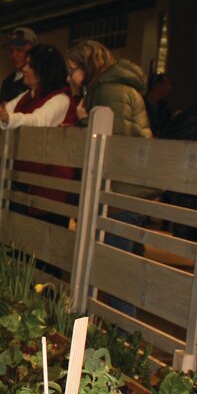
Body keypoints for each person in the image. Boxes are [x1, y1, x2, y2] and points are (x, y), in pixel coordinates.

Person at [67, 40, 151, 314]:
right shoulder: (107, 87)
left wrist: (82, 121)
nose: (70, 78)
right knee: (120, 266)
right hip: (127, 189)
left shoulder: (109, 90)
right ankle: (121, 331)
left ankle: (123, 334)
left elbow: (112, 139)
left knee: (117, 269)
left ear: (87, 65)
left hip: (121, 193)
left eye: (72, 70)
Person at [0, 44, 79, 230]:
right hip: (26, 181)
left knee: (42, 237)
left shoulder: (61, 99)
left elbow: (38, 121)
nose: (24, 69)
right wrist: (4, 118)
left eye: (30, 65)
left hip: (50, 186)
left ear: (43, 70)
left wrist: (7, 119)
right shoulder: (27, 95)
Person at [0, 26, 38, 106]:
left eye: (20, 50)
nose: (14, 55)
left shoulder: (37, 81)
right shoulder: (7, 81)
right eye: (11, 51)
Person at [143, 71, 173, 137]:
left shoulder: (165, 109)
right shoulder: (141, 104)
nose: (169, 88)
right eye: (167, 85)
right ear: (157, 85)